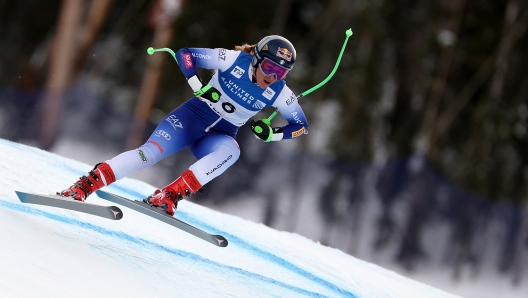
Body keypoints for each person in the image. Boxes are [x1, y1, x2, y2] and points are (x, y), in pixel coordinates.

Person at [58, 35, 309, 216]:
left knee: (231, 151)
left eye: (282, 73)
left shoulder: (279, 92)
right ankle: (84, 185)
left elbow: (301, 126)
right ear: (256, 59)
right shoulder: (233, 60)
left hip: (218, 136)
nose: (273, 77)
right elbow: (185, 54)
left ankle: (168, 195)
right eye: (269, 67)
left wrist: (271, 134)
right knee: (149, 154)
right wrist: (199, 87)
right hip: (190, 120)